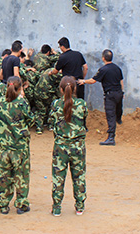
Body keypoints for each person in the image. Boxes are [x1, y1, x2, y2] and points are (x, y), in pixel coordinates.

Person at [48, 76, 87, 216]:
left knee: (58, 177)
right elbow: (84, 120)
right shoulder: (81, 104)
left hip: (60, 146)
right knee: (79, 176)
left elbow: (51, 121)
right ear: (75, 89)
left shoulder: (56, 104)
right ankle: (80, 206)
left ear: (61, 89)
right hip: (78, 146)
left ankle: (57, 207)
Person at [0, 77, 34, 215]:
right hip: (19, 146)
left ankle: (3, 204)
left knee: (4, 175)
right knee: (21, 175)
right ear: (20, 88)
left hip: (4, 146)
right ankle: (21, 204)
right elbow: (31, 120)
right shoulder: (22, 103)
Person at [78, 49, 124, 145]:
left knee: (110, 115)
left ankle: (111, 137)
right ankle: (119, 120)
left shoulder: (103, 69)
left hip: (110, 94)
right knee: (118, 109)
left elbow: (93, 81)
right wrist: (122, 92)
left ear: (103, 58)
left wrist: (83, 81)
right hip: (119, 93)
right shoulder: (117, 68)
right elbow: (121, 81)